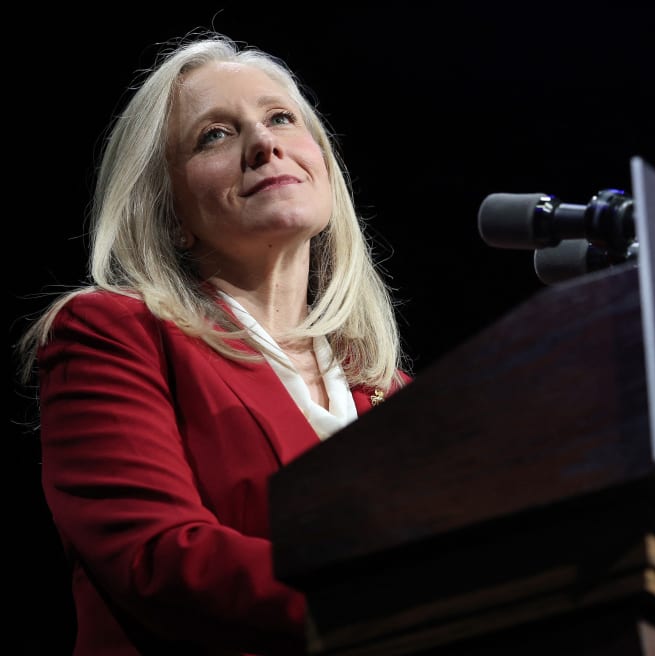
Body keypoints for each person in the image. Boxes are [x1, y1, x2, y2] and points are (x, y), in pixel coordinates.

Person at [15, 29, 410, 655]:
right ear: (169, 216)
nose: (264, 143)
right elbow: (159, 560)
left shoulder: (389, 390)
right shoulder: (115, 335)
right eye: (215, 135)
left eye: (280, 118)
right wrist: (403, 598)